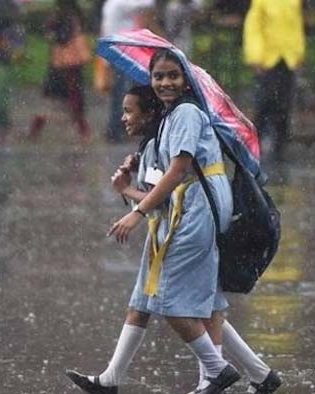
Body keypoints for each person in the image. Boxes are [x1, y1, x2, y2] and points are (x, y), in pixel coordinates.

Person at [67, 49, 246, 394]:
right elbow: (162, 180)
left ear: (186, 79)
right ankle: (115, 379)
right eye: (159, 76)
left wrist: (137, 210)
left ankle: (216, 370)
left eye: (173, 76)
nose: (165, 82)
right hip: (187, 209)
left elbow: (177, 172)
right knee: (177, 301)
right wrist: (131, 188)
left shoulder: (186, 114)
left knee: (171, 301)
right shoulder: (171, 120)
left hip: (194, 210)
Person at [243, 0, 306, 161]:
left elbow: (297, 27)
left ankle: (280, 145)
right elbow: (253, 28)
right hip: (268, 59)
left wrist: (298, 53)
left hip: (287, 59)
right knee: (264, 102)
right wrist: (256, 56)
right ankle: (255, 142)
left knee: (284, 104)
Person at [100, 0, 161, 142]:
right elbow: (147, 5)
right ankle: (117, 127)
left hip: (119, 51)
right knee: (125, 90)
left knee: (122, 90)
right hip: (123, 52)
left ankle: (119, 126)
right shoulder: (119, 3)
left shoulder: (111, 4)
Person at [41, 0, 92, 141]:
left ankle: (83, 131)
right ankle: (83, 131)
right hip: (70, 64)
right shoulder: (73, 14)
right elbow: (64, 36)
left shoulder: (63, 16)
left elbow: (60, 37)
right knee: (71, 98)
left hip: (63, 63)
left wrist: (52, 33)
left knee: (54, 99)